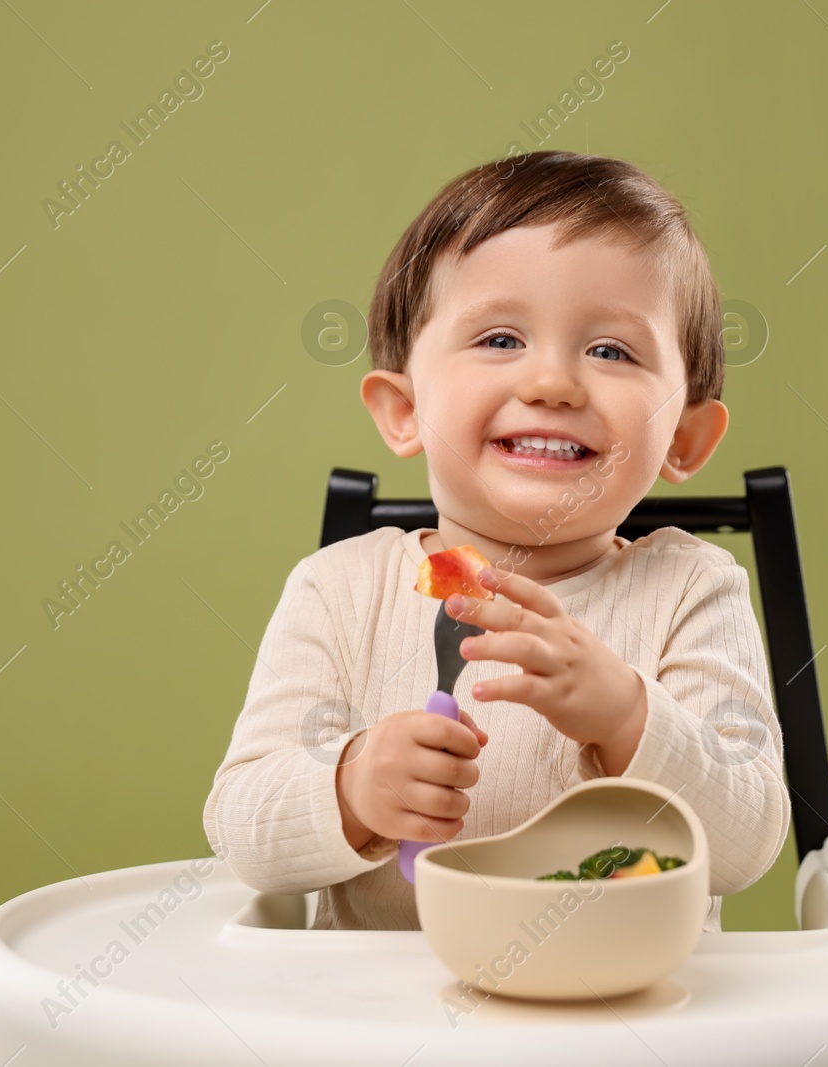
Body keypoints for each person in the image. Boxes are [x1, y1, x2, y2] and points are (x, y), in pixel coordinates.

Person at [203, 150, 790, 931]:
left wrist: (625, 716)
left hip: (625, 1019)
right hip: (377, 1026)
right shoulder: (338, 590)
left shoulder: (692, 588)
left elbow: (748, 841)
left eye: (610, 351)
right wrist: (351, 786)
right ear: (402, 410)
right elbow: (239, 828)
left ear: (685, 436)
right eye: (501, 339)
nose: (552, 382)